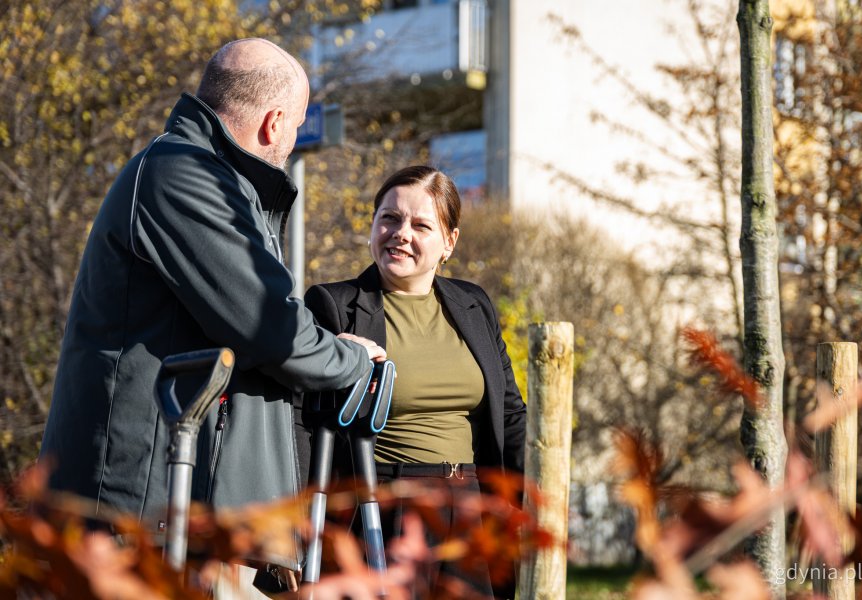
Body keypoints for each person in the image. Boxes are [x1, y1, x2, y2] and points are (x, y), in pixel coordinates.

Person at [39, 39, 385, 574]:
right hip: (147, 511)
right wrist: (351, 361)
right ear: (274, 123)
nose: (293, 141)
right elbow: (271, 328)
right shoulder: (182, 175)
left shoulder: (211, 180)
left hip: (182, 508)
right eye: (294, 125)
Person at [298, 165, 526, 598]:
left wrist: (539, 498)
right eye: (389, 218)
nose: (401, 233)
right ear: (372, 226)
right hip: (383, 510)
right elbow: (301, 425)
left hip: (471, 509)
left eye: (421, 224)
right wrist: (296, 537)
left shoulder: (474, 304)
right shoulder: (334, 305)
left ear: (449, 243)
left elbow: (510, 413)